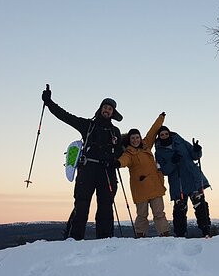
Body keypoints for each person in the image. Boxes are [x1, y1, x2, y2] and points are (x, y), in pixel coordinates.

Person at [42, 86, 123, 240]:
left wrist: (114, 161)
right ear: (100, 109)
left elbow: (120, 151)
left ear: (113, 113)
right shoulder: (88, 125)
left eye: (110, 109)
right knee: (82, 203)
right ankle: (74, 237)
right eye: (105, 107)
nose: (107, 110)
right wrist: (49, 102)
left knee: (106, 205)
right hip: (88, 169)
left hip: (107, 170)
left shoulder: (115, 131)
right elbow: (65, 116)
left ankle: (105, 238)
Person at [117, 113, 170, 238]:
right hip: (140, 189)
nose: (135, 140)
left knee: (159, 213)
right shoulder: (129, 153)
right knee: (142, 214)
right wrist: (118, 163)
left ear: (140, 138)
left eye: (137, 137)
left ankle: (165, 234)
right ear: (129, 140)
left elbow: (153, 130)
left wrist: (160, 118)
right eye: (133, 138)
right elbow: (124, 160)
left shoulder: (146, 145)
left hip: (155, 186)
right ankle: (140, 235)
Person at [154, 126, 212, 237]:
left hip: (193, 178)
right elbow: (164, 170)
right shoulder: (159, 152)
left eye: (166, 134)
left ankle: (206, 231)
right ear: (159, 137)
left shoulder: (179, 141)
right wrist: (173, 162)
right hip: (177, 183)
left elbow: (195, 156)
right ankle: (180, 235)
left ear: (170, 134)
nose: (165, 136)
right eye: (162, 135)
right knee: (179, 209)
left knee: (201, 206)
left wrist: (197, 150)